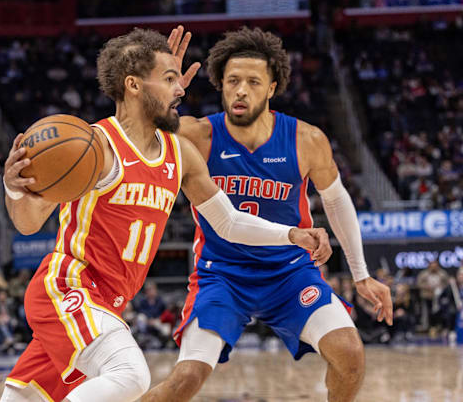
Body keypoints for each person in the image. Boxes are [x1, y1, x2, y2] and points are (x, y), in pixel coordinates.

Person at [0, 26, 331, 402]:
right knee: (129, 374)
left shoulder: (180, 153)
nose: (181, 89)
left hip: (106, 305)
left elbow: (228, 221)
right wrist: (15, 186)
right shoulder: (95, 149)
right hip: (68, 288)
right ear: (134, 86)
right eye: (170, 79)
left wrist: (292, 234)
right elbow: (27, 223)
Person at [142, 27, 393, 402]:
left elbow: (337, 200)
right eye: (232, 81)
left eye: (253, 82)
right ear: (220, 86)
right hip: (221, 274)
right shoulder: (196, 135)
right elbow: (138, 136)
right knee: (186, 379)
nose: (241, 90)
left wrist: (361, 275)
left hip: (289, 272)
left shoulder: (305, 139)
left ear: (273, 87)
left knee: (350, 353)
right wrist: (158, 90)